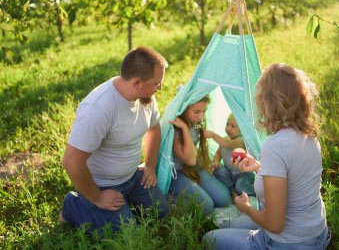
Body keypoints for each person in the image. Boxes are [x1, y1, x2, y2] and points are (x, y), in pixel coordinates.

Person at [203, 63, 331, 249]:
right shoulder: (308, 134)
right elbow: (293, 175)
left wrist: (245, 208)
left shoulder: (275, 145)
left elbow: (274, 225)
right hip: (316, 234)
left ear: (269, 102)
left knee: (209, 238)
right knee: (227, 225)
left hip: (287, 242)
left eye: (259, 92)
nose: (255, 97)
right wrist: (259, 167)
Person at [60, 46, 170, 233]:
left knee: (162, 212)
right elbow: (71, 161)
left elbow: (153, 129)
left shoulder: (146, 97)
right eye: (156, 83)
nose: (160, 87)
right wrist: (97, 197)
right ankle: (75, 205)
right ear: (137, 82)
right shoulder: (98, 108)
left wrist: (150, 166)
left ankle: (124, 205)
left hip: (133, 177)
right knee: (130, 237)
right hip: (101, 184)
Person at [169, 95, 231, 214]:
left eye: (204, 111)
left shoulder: (196, 124)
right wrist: (184, 128)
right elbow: (190, 160)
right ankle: (172, 199)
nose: (201, 116)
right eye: (197, 112)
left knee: (224, 198)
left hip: (192, 169)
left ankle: (193, 188)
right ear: (184, 109)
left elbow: (194, 159)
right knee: (206, 206)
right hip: (176, 173)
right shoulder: (174, 129)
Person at [204, 114, 257, 202]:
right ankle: (233, 191)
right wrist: (216, 161)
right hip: (229, 173)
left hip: (243, 173)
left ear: (241, 129)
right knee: (218, 171)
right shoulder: (224, 139)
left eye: (232, 126)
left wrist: (213, 135)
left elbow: (227, 144)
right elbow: (217, 155)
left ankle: (254, 191)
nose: (228, 128)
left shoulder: (241, 141)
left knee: (240, 185)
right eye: (227, 124)